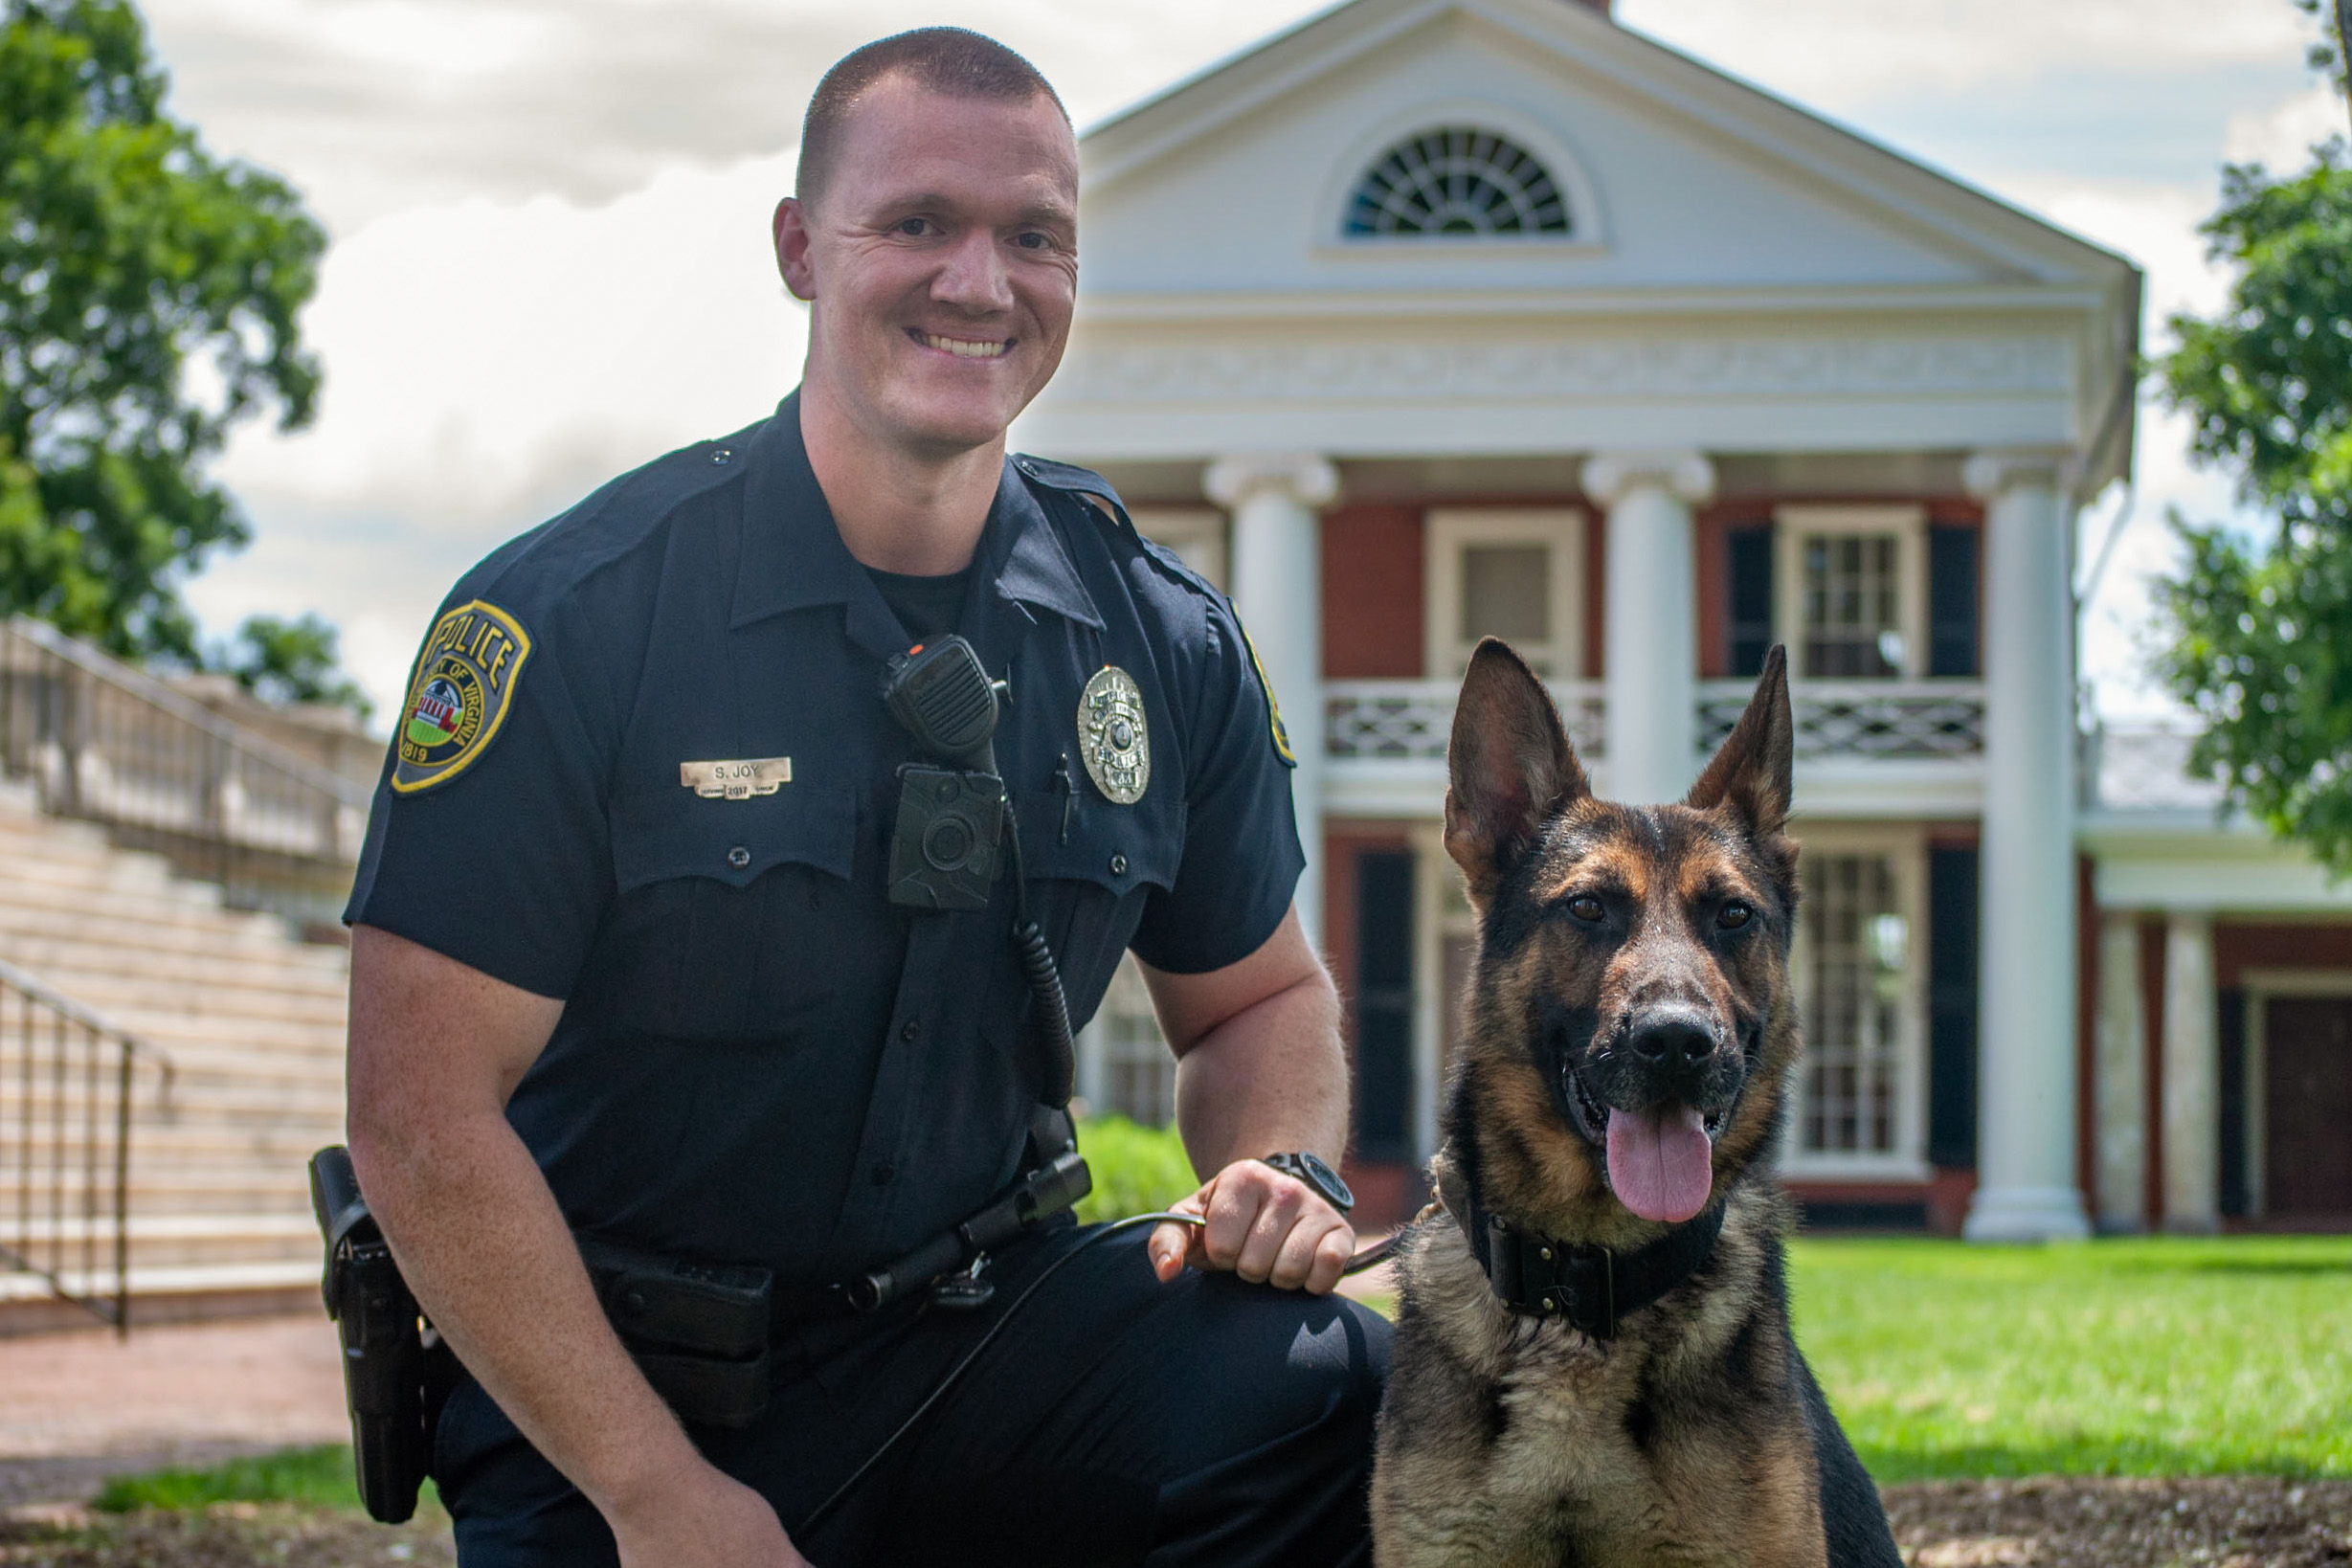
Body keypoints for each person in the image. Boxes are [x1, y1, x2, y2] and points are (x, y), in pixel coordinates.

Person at [342, 26, 1390, 1568]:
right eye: (916, 224)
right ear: (797, 250)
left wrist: (1275, 1162)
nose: (980, 280)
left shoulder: (1161, 641)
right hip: (622, 1406)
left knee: (1331, 1387)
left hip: (988, 1352)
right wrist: (659, 1499)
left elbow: (1258, 999)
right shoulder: (576, 617)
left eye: (1033, 236)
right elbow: (420, 1113)